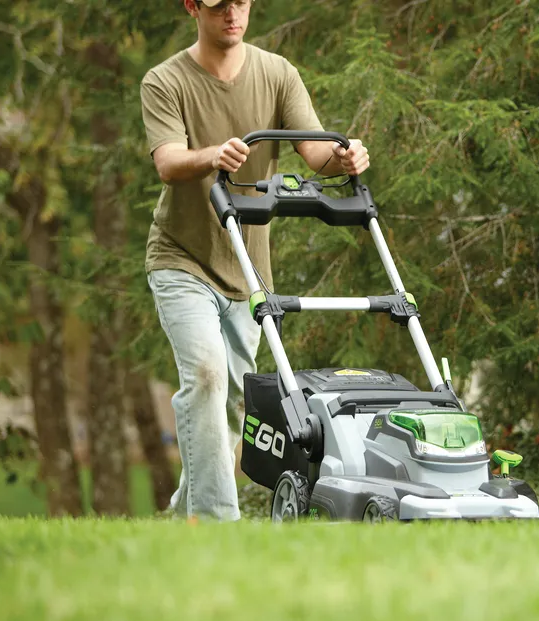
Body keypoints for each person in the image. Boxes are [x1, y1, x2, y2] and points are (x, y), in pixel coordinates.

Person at [139, 0, 370, 521]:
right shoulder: (164, 81)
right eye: (220, 6)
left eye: (241, 3)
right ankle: (221, 523)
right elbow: (169, 162)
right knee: (205, 376)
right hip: (182, 258)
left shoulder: (277, 73)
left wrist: (346, 155)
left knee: (232, 410)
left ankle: (183, 516)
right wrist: (212, 155)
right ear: (192, 7)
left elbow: (317, 153)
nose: (233, 15)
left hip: (248, 271)